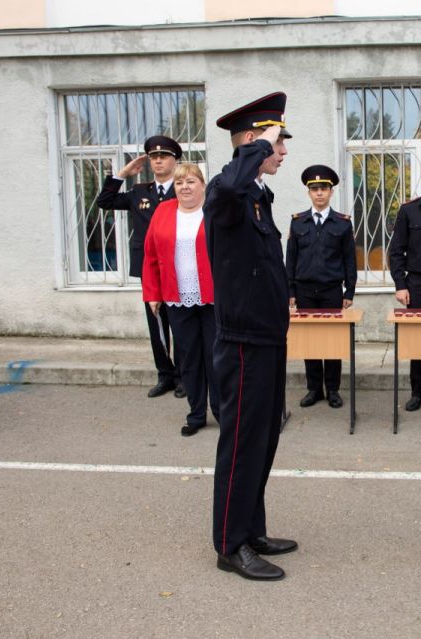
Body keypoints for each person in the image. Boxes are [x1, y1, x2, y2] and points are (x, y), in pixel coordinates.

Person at [204, 92, 296, 582]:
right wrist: (258, 146)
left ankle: (251, 529)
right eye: (277, 142)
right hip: (243, 342)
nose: (282, 152)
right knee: (241, 443)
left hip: (267, 335)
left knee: (263, 440)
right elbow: (230, 185)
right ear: (251, 142)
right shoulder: (226, 191)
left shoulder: (257, 196)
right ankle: (229, 543)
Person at [96, 136, 185, 400]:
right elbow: (105, 202)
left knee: (181, 323)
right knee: (156, 324)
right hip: (150, 268)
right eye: (153, 157)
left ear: (175, 160)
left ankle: (183, 376)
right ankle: (165, 375)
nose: (158, 161)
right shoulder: (139, 192)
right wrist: (122, 174)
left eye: (164, 156)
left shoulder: (183, 189)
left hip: (179, 265)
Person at [142, 163, 218, 437]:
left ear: (203, 185)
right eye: (179, 182)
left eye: (191, 181)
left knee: (215, 358)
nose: (185, 187)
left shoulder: (214, 210)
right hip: (177, 298)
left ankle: (222, 412)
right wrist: (153, 294)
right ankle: (196, 415)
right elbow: (150, 255)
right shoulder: (163, 211)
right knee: (189, 359)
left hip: (213, 298)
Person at [285, 165, 356, 409]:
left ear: (331, 192)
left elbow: (349, 259)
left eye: (323, 189)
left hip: (331, 290)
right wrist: (290, 291)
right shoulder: (298, 222)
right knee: (310, 342)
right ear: (308, 192)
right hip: (304, 290)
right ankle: (314, 388)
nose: (319, 193)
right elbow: (291, 259)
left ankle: (333, 389)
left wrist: (349, 291)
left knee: (333, 341)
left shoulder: (342, 223)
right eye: (314, 189)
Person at [388, 159, 421, 411]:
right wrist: (400, 284)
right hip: (418, 284)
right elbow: (396, 251)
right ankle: (418, 393)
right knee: (419, 340)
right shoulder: (409, 211)